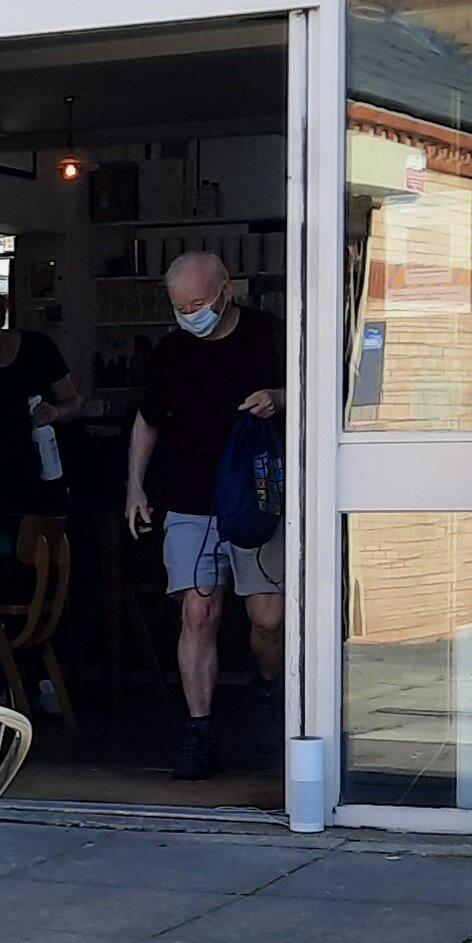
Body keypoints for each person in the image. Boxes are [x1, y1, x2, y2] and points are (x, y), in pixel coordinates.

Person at [125, 248, 284, 778]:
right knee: (198, 612)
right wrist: (135, 487)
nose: (190, 314)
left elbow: (323, 395)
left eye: (198, 303)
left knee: (270, 620)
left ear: (227, 291)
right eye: (180, 306)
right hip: (189, 498)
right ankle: (199, 733)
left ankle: (268, 688)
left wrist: (279, 398)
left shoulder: (270, 335)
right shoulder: (171, 352)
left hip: (257, 498)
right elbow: (147, 421)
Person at [0, 278, 79, 563]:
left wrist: (54, 412)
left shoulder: (38, 348)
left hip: (37, 474)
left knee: (38, 557)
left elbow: (74, 400)